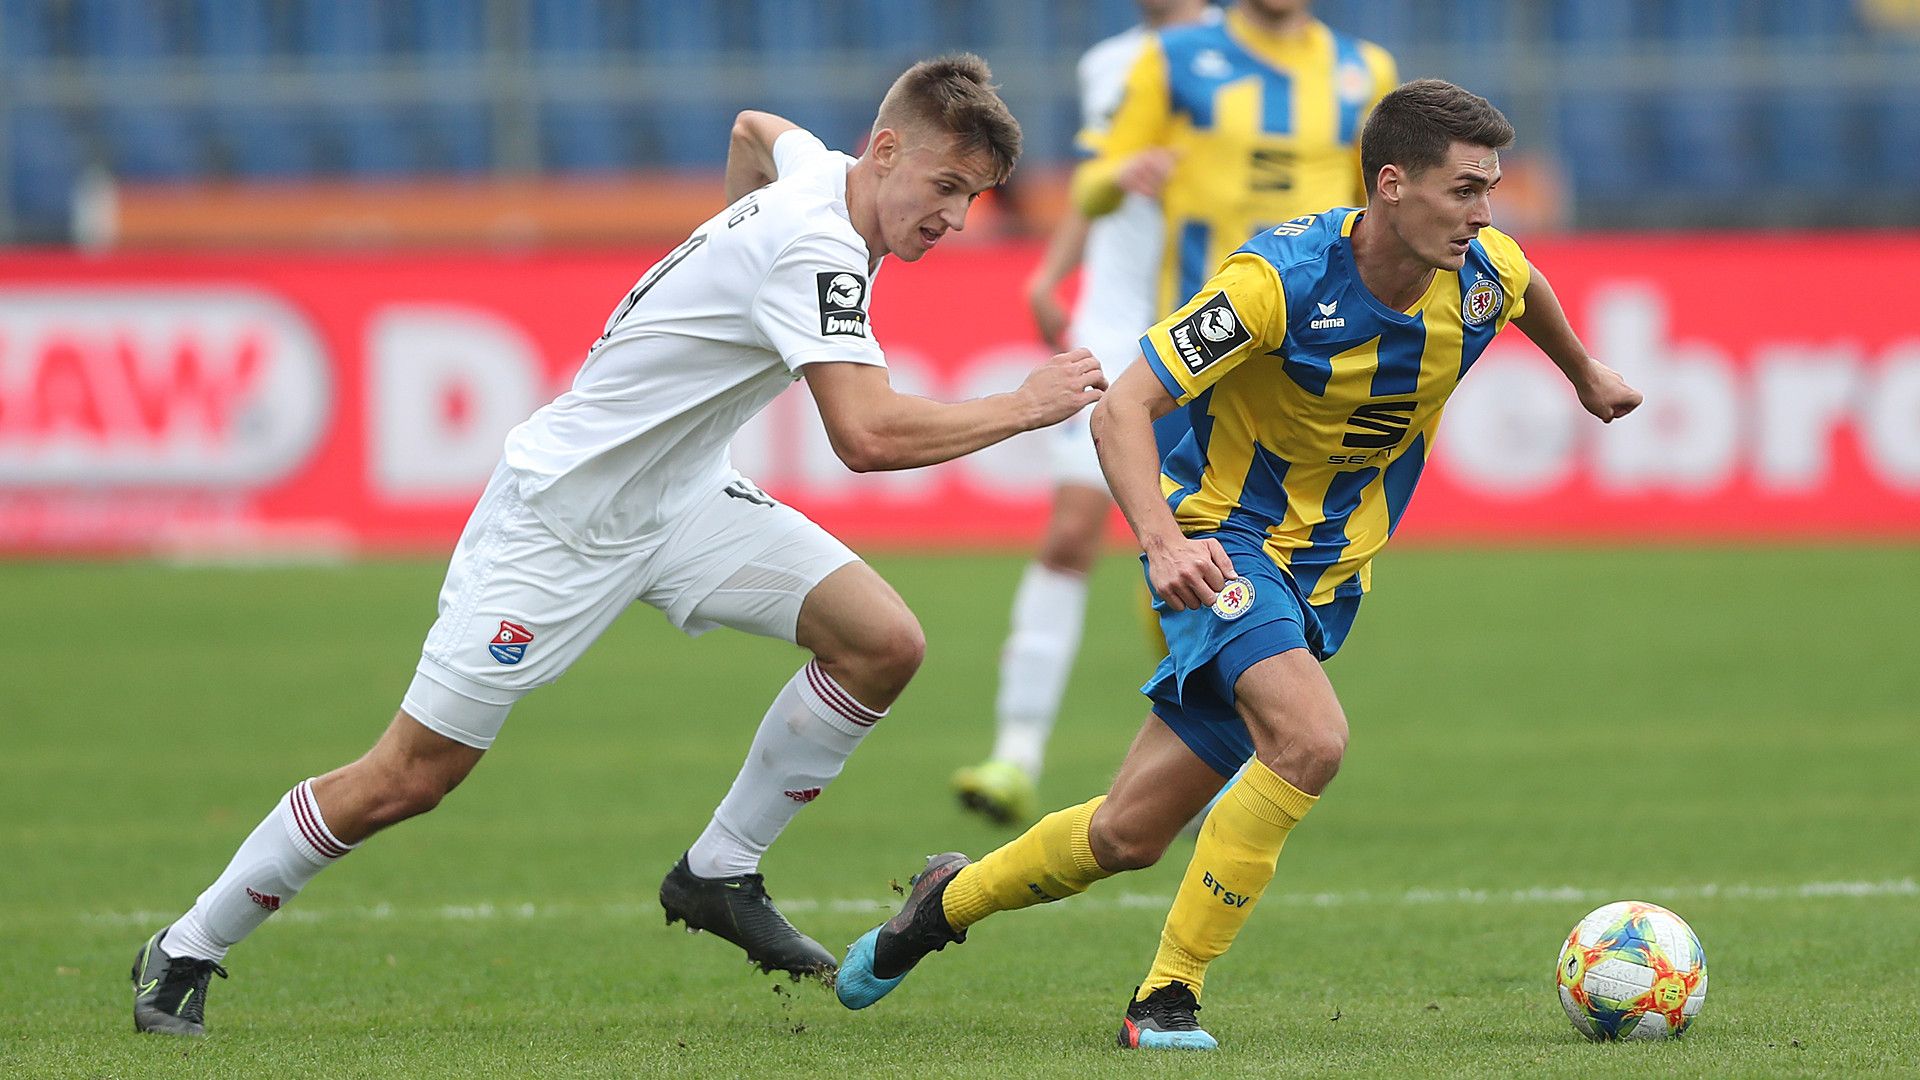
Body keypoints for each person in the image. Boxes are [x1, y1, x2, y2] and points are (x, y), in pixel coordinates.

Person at [130, 54, 1108, 1037]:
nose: (954, 218)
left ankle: (719, 873)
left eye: (974, 198)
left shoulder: (821, 171)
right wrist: (1021, 408)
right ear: (885, 151)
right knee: (412, 775)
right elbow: (867, 436)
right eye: (945, 187)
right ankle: (184, 946)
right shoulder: (816, 243)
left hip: (681, 502)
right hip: (561, 520)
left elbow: (751, 127)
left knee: (882, 642)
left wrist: (724, 246)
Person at [835, 79, 1644, 1050]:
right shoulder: (1278, 282)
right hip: (1224, 544)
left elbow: (1525, 291)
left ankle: (941, 903)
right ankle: (1165, 1001)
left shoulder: (1482, 273)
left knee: (1127, 835)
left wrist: (1586, 370)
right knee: (1310, 741)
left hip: (1327, 578)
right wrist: (1163, 543)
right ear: (1391, 185)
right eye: (1464, 190)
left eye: (1490, 190)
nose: (1484, 213)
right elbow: (1120, 408)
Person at [955, 0, 1398, 826]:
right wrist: (1102, 203)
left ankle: (1223, 731)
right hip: (1190, 338)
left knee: (1262, 541)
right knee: (1138, 533)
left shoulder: (1362, 71)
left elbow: (1379, 201)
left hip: (1309, 347)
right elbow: (1093, 179)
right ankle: (1073, 748)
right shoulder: (1162, 60)